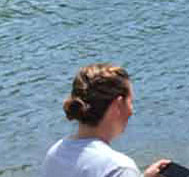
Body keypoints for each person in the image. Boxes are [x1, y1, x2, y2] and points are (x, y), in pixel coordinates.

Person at [41, 63, 171, 177]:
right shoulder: (118, 167)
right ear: (118, 105)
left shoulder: (56, 153)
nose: (132, 110)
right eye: (131, 102)